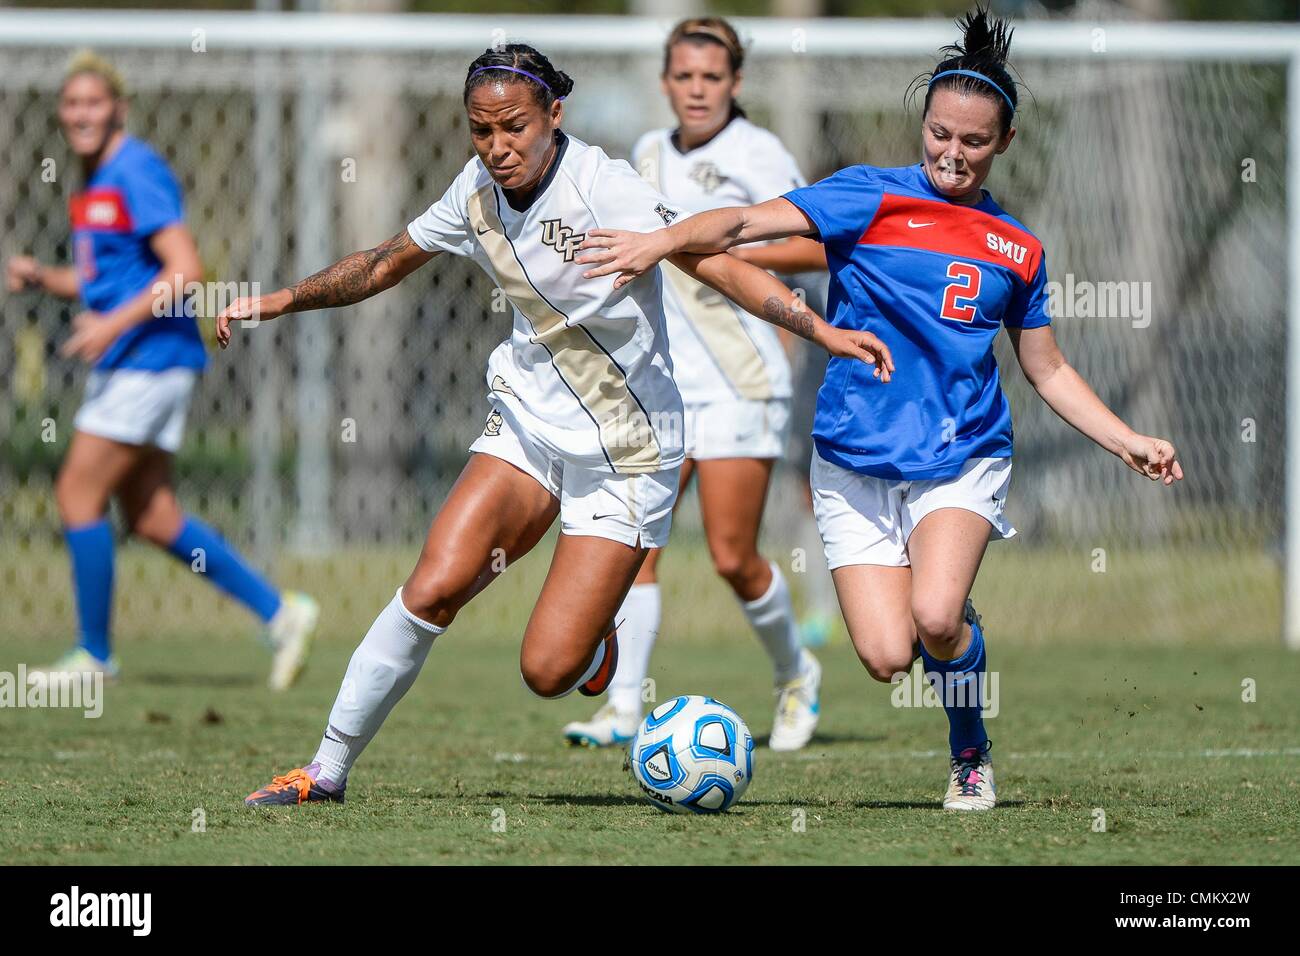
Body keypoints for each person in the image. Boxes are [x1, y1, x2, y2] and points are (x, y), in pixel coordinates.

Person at [226, 44, 892, 806]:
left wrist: (820, 330)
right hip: (528, 426)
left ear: (554, 116)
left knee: (547, 670)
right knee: (433, 586)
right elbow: (383, 261)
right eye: (481, 130)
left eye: (514, 126)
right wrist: (280, 300)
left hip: (629, 454)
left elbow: (719, 265)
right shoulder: (475, 190)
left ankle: (597, 638)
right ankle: (325, 770)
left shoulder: (606, 187)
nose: (498, 147)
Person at [575, 6, 1183, 810]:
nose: (952, 154)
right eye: (939, 134)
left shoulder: (1018, 248)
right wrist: (662, 240)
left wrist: (1124, 438)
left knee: (934, 619)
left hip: (962, 453)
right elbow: (745, 223)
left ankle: (970, 749)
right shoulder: (867, 197)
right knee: (886, 657)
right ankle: (942, 613)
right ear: (922, 124)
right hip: (853, 458)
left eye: (972, 141)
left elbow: (1049, 369)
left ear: (1003, 142)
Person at [6, 50, 318, 690]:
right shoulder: (92, 181)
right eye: (71, 104)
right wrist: (45, 277)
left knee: (76, 494)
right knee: (151, 516)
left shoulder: (135, 169)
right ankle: (282, 613)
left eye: (94, 102)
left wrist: (111, 325)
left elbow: (184, 270)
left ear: (118, 107)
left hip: (149, 359)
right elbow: (104, 282)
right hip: (139, 359)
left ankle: (94, 657)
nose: (81, 114)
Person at [562, 17, 832, 753]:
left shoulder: (758, 153)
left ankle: (795, 673)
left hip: (741, 381)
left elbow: (817, 242)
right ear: (665, 82)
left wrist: (721, 236)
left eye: (712, 77)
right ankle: (623, 707)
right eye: (684, 77)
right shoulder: (647, 152)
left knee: (730, 556)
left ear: (736, 83)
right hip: (661, 385)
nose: (698, 90)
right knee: (636, 546)